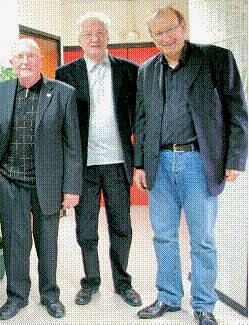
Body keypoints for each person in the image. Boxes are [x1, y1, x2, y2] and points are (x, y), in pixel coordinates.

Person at [133, 7, 247, 325]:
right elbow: (141, 121)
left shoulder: (215, 59)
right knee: (164, 236)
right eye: (158, 33)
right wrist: (140, 164)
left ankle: (203, 304)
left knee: (202, 238)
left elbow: (237, 110)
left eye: (171, 29)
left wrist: (235, 159)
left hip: (200, 161)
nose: (166, 38)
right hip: (161, 162)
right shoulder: (147, 71)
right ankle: (169, 297)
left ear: (183, 26)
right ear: (152, 38)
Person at [0, 38, 82, 320]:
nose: (25, 62)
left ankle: (50, 295)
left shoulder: (63, 93)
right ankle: (16, 296)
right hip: (10, 181)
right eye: (19, 57)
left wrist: (71, 188)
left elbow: (73, 145)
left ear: (41, 61)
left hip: (49, 183)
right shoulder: (0, 92)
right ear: (11, 63)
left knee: (47, 243)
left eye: (30, 56)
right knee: (16, 243)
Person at [55, 12, 142, 307]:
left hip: (117, 163)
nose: (95, 38)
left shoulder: (130, 71)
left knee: (122, 226)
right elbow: (61, 126)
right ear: (79, 41)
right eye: (89, 34)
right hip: (84, 166)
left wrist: (140, 160)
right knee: (86, 228)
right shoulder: (65, 74)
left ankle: (122, 282)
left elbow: (140, 119)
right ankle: (91, 281)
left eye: (101, 33)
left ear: (108, 37)